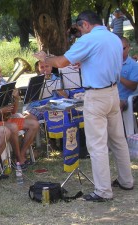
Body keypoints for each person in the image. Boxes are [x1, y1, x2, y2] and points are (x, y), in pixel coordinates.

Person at [33, 10, 134, 202]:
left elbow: (61, 62)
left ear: (85, 24)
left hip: (96, 96)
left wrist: (44, 58)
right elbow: (100, 60)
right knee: (118, 141)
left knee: (97, 145)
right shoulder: (114, 38)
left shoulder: (88, 40)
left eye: (80, 29)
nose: (80, 33)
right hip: (113, 92)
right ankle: (126, 181)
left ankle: (103, 191)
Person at [0, 62, 39, 169]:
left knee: (34, 124)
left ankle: (21, 154)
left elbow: (13, 111)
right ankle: (19, 159)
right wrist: (0, 110)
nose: (0, 75)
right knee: (13, 127)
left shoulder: (2, 86)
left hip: (3, 120)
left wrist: (16, 98)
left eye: (0, 72)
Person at [118, 37, 138, 111]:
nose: (120, 51)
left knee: (113, 108)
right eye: (118, 49)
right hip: (110, 96)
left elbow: (133, 86)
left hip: (125, 98)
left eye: (123, 48)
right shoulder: (111, 63)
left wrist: (118, 76)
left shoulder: (133, 65)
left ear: (128, 47)